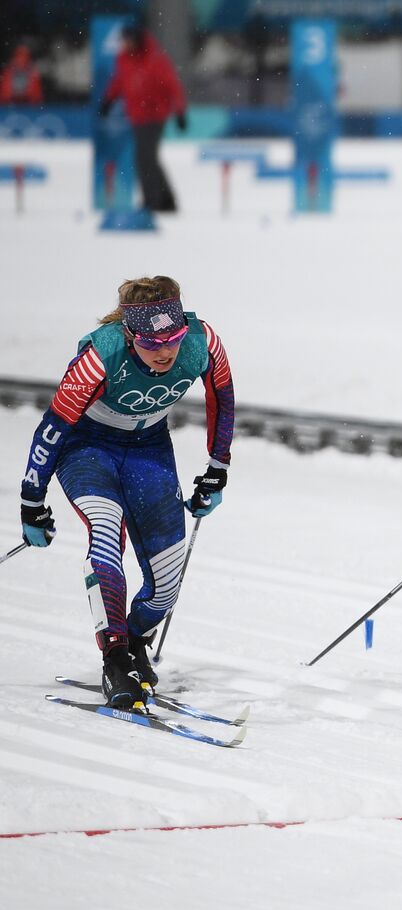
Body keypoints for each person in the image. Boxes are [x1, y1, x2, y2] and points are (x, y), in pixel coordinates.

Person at [19, 277, 235, 711]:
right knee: (104, 530)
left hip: (148, 450)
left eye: (172, 337)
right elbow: (52, 427)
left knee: (167, 584)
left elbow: (222, 401)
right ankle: (115, 657)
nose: (165, 350)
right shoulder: (100, 357)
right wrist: (32, 499)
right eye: (151, 342)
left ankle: (134, 642)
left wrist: (217, 469)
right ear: (129, 334)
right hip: (88, 448)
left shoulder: (203, 341)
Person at [98, 22, 187, 213]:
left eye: (128, 40)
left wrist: (179, 111)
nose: (125, 44)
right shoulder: (124, 59)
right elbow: (119, 81)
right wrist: (108, 100)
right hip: (137, 115)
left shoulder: (155, 60)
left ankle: (152, 200)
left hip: (154, 115)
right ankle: (166, 199)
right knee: (149, 158)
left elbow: (173, 86)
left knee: (144, 158)